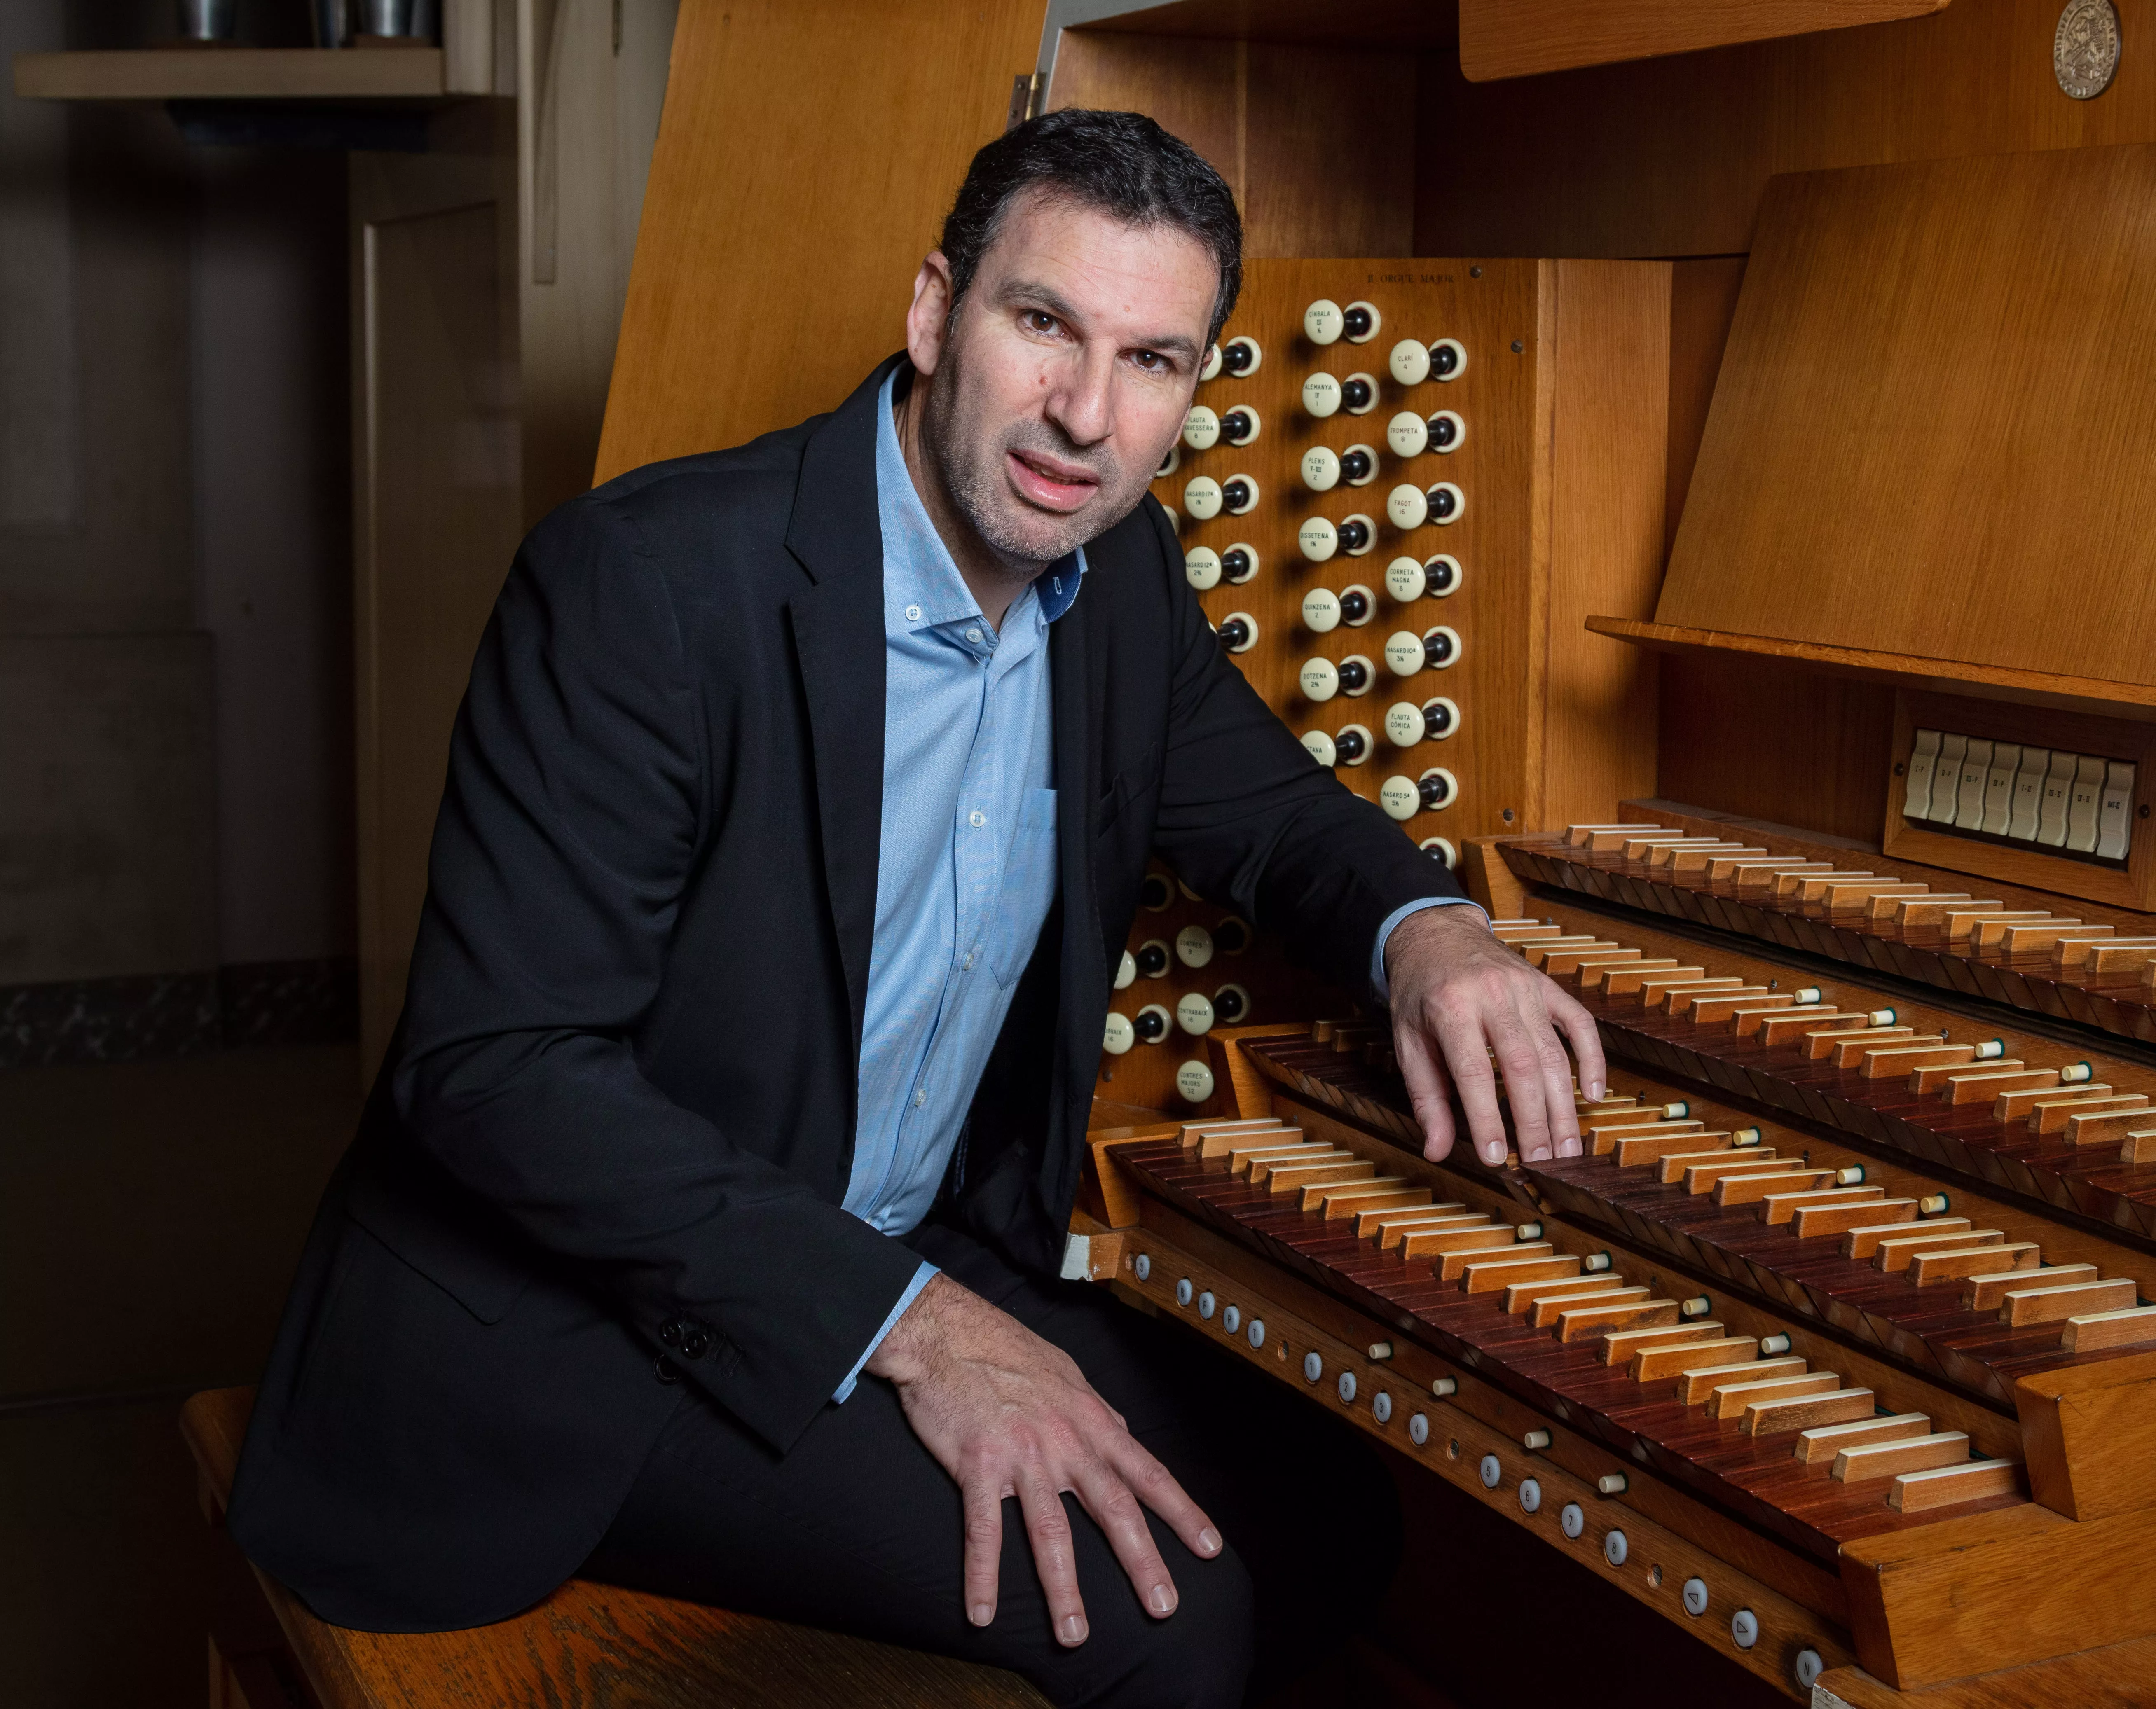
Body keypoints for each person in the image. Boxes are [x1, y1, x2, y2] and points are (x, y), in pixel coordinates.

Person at [229, 108, 1604, 1708]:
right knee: (1165, 1620)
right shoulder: (646, 583)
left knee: (1331, 1519)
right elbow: (497, 1066)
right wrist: (913, 1324)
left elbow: (1273, 813)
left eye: (1152, 360)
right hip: (588, 1319)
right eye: (1043, 325)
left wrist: (1428, 931)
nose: (1085, 416)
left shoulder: (1118, 577)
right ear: (935, 310)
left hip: (887, 1237)